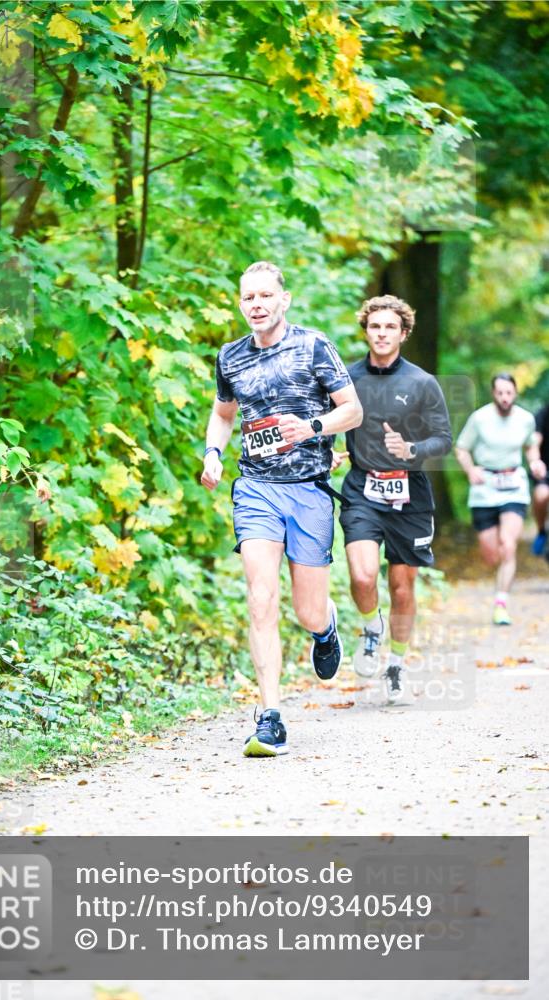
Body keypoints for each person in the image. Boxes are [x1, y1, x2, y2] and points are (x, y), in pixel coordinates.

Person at [201, 261, 363, 758]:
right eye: (248, 297)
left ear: (283, 300)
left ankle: (326, 626)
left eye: (266, 296)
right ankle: (270, 715)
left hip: (309, 489)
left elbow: (352, 410)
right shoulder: (230, 357)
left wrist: (313, 427)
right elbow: (223, 414)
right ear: (240, 303)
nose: (257, 305)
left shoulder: (313, 346)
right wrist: (212, 452)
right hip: (256, 489)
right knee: (260, 596)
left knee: (306, 610)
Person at [336, 295, 452, 704]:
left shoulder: (422, 383)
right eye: (375, 326)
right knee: (363, 576)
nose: (382, 333)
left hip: (410, 495)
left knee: (402, 588)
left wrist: (412, 450)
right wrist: (333, 453)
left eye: (390, 327)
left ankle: (397, 666)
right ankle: (371, 628)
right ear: (366, 331)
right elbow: (334, 421)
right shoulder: (347, 380)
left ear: (403, 333)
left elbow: (444, 439)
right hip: (363, 490)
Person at [455, 374, 546, 624]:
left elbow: (530, 446)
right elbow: (462, 448)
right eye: (500, 393)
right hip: (485, 487)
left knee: (508, 545)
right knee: (491, 554)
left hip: (513, 485)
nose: (505, 398)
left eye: (509, 393)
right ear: (493, 394)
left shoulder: (525, 419)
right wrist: (471, 470)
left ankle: (501, 602)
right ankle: (499, 585)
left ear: (515, 393)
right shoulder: (480, 418)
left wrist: (535, 462)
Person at [530, 400, 549, 557]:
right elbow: (535, 440)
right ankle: (541, 530)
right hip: (544, 471)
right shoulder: (543, 414)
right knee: (541, 495)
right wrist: (535, 461)